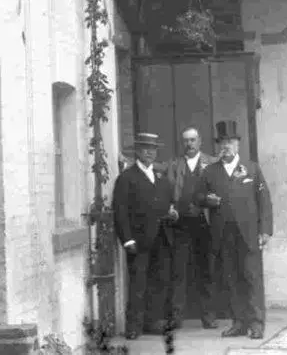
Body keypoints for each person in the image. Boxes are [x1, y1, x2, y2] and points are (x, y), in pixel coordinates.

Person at [197, 120, 273, 341]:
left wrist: (265, 230)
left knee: (251, 278)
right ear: (218, 145)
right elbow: (197, 196)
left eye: (230, 141)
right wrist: (207, 200)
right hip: (223, 235)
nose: (226, 146)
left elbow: (264, 201)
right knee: (231, 280)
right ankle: (239, 322)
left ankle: (257, 324)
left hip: (248, 235)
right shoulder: (210, 172)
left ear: (238, 144)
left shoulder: (252, 168)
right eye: (222, 142)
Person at [112, 132, 178, 339]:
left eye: (153, 149)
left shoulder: (161, 178)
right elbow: (120, 211)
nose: (149, 152)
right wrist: (127, 239)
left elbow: (165, 206)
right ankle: (134, 326)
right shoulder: (126, 178)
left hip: (161, 238)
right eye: (145, 148)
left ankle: (152, 321)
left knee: (159, 281)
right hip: (139, 241)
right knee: (138, 282)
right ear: (137, 151)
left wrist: (171, 213)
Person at [166, 126, 218, 329]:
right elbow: (164, 183)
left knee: (206, 271)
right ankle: (176, 317)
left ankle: (209, 317)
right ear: (183, 143)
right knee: (179, 272)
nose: (189, 144)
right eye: (186, 140)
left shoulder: (212, 163)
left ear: (200, 141)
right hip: (181, 224)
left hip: (204, 224)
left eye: (193, 140)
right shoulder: (175, 165)